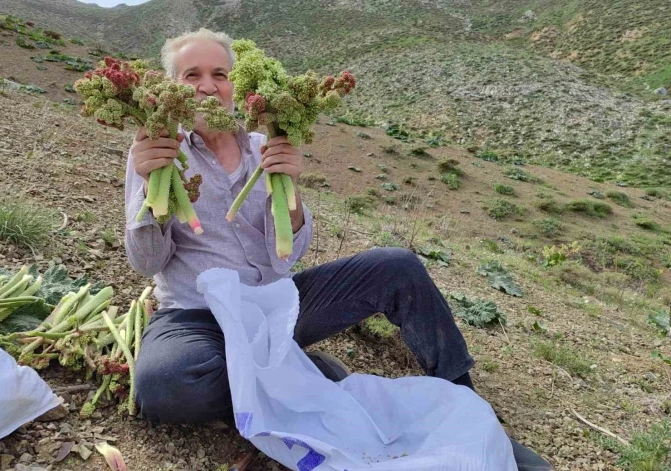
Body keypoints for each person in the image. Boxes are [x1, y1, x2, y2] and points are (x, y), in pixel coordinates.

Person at [124, 28, 553, 470]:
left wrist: (289, 192)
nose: (207, 85)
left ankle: (459, 396)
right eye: (191, 74)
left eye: (220, 73)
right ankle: (303, 377)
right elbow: (147, 262)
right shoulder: (156, 151)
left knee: (397, 266)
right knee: (163, 387)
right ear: (170, 86)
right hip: (196, 317)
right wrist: (151, 197)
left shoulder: (264, 146)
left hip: (278, 307)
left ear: (237, 85)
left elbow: (287, 254)